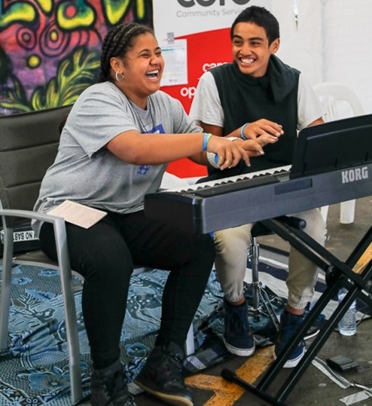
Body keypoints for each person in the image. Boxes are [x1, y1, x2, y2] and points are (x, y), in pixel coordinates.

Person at [33, 22, 276, 406]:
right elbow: (134, 148)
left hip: (125, 212)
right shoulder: (99, 99)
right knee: (111, 260)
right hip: (68, 213)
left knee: (197, 242)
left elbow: (201, 151)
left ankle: (163, 362)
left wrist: (240, 137)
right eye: (145, 55)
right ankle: (107, 380)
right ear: (118, 66)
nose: (156, 61)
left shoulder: (165, 104)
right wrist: (207, 139)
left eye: (158, 53)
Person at [189, 5, 327, 368]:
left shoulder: (295, 81)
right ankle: (235, 308)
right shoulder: (214, 81)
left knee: (314, 226)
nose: (243, 50)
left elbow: (318, 136)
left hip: (284, 186)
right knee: (230, 238)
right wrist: (241, 134)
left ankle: (295, 314)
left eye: (254, 42)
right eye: (237, 42)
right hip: (232, 187)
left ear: (274, 45)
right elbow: (202, 153)